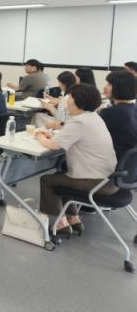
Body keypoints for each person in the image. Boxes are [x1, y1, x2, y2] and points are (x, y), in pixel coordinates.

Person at [35, 84, 117, 236]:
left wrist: (40, 136)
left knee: (47, 180)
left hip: (95, 182)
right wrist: (54, 137)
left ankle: (60, 223)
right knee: (62, 176)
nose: (67, 101)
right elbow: (72, 136)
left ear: (78, 101)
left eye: (70, 98)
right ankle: (73, 218)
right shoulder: (94, 117)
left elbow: (53, 145)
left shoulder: (79, 122)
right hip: (108, 180)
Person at [99, 70, 137, 160]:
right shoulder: (132, 108)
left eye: (109, 84)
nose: (105, 87)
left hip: (111, 160)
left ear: (120, 87)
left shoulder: (112, 112)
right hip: (129, 163)